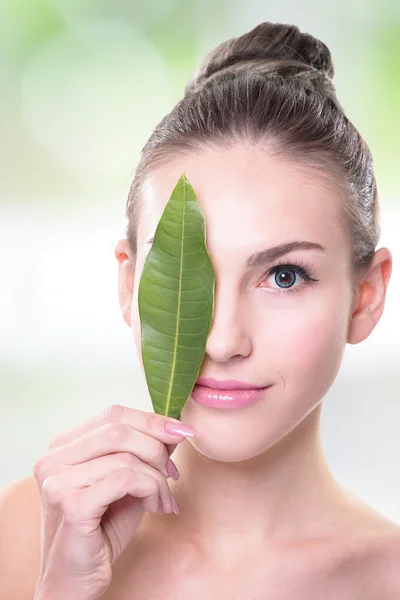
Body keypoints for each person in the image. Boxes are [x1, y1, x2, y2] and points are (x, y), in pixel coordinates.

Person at [1, 20, 399, 600]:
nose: (222, 341)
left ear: (365, 296)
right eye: (183, 278)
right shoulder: (23, 536)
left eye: (283, 276)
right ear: (129, 285)